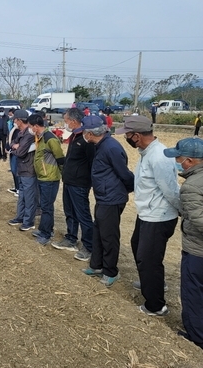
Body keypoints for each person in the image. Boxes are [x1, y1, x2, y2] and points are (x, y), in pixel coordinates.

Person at [117, 116, 179, 316]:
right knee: (138, 247)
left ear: (136, 136)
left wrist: (181, 211)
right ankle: (152, 283)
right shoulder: (147, 153)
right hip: (147, 213)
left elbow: (170, 190)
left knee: (149, 259)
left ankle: (155, 305)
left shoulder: (159, 156)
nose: (125, 137)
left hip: (158, 217)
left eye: (127, 134)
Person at [79, 115, 134, 287]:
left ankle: (111, 271)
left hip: (112, 198)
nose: (83, 135)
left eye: (84, 132)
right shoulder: (100, 145)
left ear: (90, 133)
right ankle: (96, 265)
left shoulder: (111, 148)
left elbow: (125, 174)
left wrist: (125, 189)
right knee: (99, 232)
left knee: (109, 236)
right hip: (103, 196)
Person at [163, 138, 203, 348]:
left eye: (178, 158)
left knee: (193, 293)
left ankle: (196, 337)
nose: (177, 161)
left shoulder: (191, 187)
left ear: (189, 161)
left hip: (197, 251)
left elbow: (198, 221)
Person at [51, 108, 95, 260]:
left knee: (83, 214)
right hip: (69, 181)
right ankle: (71, 238)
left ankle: (89, 247)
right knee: (70, 212)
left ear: (74, 121)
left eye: (66, 120)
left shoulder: (86, 139)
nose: (65, 124)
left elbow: (91, 162)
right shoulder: (75, 136)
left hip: (80, 183)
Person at [27, 114, 65, 245]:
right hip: (43, 176)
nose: (30, 129)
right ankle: (45, 228)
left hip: (50, 177)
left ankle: (46, 235)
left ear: (36, 126)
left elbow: (60, 157)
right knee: (45, 205)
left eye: (31, 127)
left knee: (46, 206)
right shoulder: (40, 137)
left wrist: (62, 173)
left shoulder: (50, 139)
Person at [7, 109, 38, 230]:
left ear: (19, 121)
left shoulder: (29, 134)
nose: (14, 121)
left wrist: (16, 148)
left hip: (28, 169)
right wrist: (15, 147)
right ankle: (20, 217)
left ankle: (29, 221)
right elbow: (12, 144)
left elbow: (20, 152)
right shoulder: (21, 133)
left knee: (29, 196)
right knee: (22, 195)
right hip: (21, 168)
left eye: (15, 119)